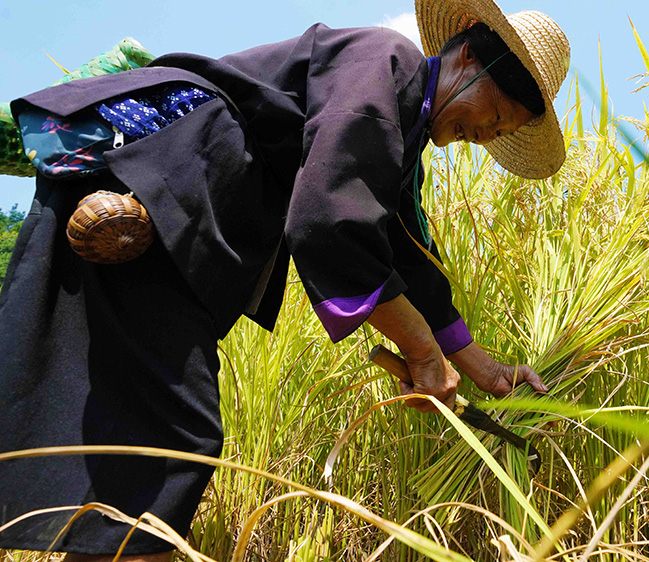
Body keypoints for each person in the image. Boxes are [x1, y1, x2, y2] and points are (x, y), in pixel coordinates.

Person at [0, 0, 569, 559]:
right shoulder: (388, 58)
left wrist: (489, 373)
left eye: (499, 134)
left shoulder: (403, 136)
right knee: (166, 448)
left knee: (140, 450)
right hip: (148, 189)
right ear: (468, 54)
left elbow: (400, 254)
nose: (485, 134)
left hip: (175, 226)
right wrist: (420, 350)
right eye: (496, 115)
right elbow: (332, 218)